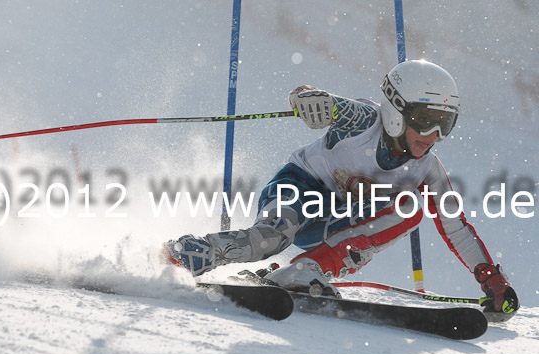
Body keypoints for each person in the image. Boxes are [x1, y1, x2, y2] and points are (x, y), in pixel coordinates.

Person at [162, 60, 519, 320]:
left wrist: (491, 278)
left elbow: (455, 226)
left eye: (445, 125)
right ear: (396, 111)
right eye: (424, 121)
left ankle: (307, 270)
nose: (432, 136)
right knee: (269, 240)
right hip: (300, 188)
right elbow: (326, 102)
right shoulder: (364, 120)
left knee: (412, 208)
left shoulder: (427, 169)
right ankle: (189, 254)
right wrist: (307, 99)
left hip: (337, 221)